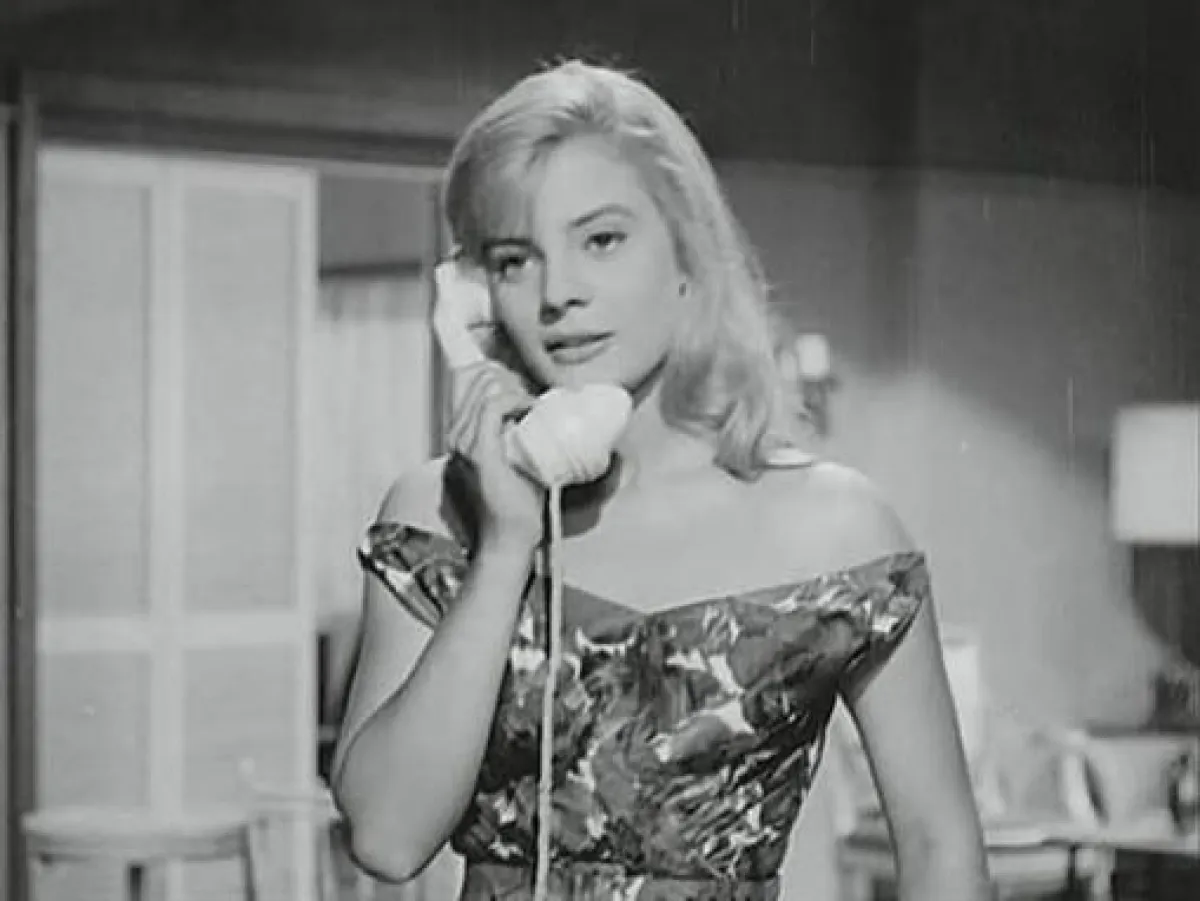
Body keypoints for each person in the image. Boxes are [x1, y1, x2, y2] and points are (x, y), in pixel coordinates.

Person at [331, 60, 990, 901]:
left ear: (688, 255)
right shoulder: (435, 514)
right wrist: (504, 548)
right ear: (477, 298)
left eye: (601, 240)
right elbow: (386, 838)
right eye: (515, 259)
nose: (559, 293)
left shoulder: (839, 528)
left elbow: (941, 846)